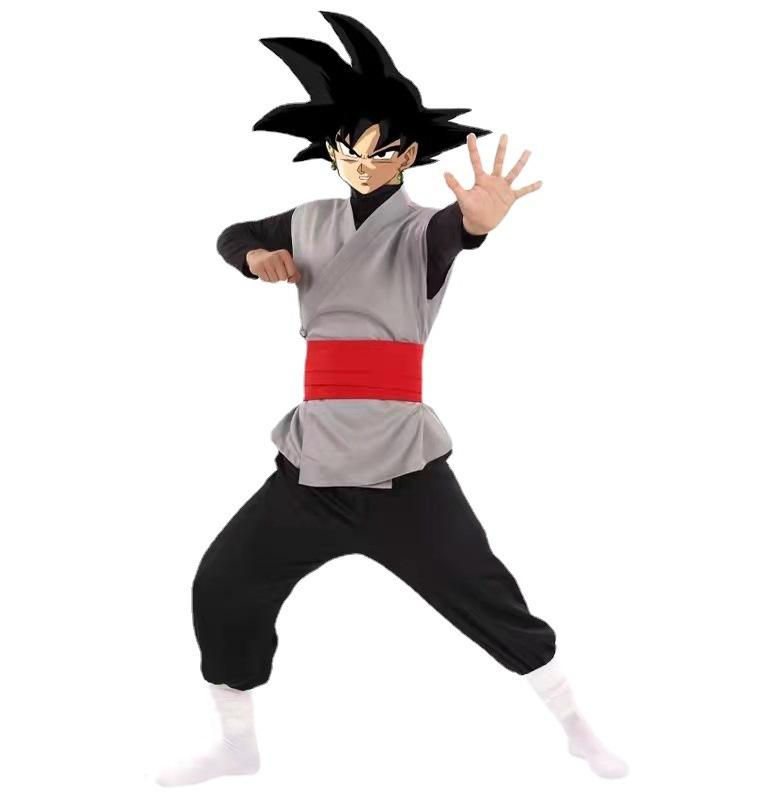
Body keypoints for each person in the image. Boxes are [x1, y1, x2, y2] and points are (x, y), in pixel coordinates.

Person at [155, 10, 628, 786]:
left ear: (407, 154)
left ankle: (577, 727)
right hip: (311, 466)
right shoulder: (306, 220)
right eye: (347, 147)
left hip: (400, 468)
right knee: (224, 582)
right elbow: (232, 232)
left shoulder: (420, 231)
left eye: (379, 150)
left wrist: (475, 220)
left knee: (487, 596)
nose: (361, 162)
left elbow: (457, 233)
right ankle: (237, 744)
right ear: (331, 150)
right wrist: (255, 256)